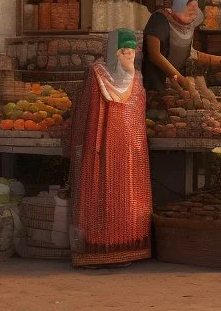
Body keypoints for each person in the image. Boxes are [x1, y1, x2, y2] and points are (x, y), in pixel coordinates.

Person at [68, 28, 153, 267]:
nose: (128, 54)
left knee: (128, 195)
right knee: (102, 192)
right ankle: (98, 247)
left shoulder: (137, 78)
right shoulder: (97, 74)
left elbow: (138, 110)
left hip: (130, 149)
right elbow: (86, 110)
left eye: (131, 50)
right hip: (101, 147)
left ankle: (127, 245)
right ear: (112, 51)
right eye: (122, 50)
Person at [142, 0, 219, 92]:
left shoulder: (186, 26)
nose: (191, 18)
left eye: (193, 14)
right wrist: (182, 80)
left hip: (174, 84)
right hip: (155, 82)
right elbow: (154, 54)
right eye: (188, 13)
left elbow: (188, 52)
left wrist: (219, 60)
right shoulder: (160, 19)